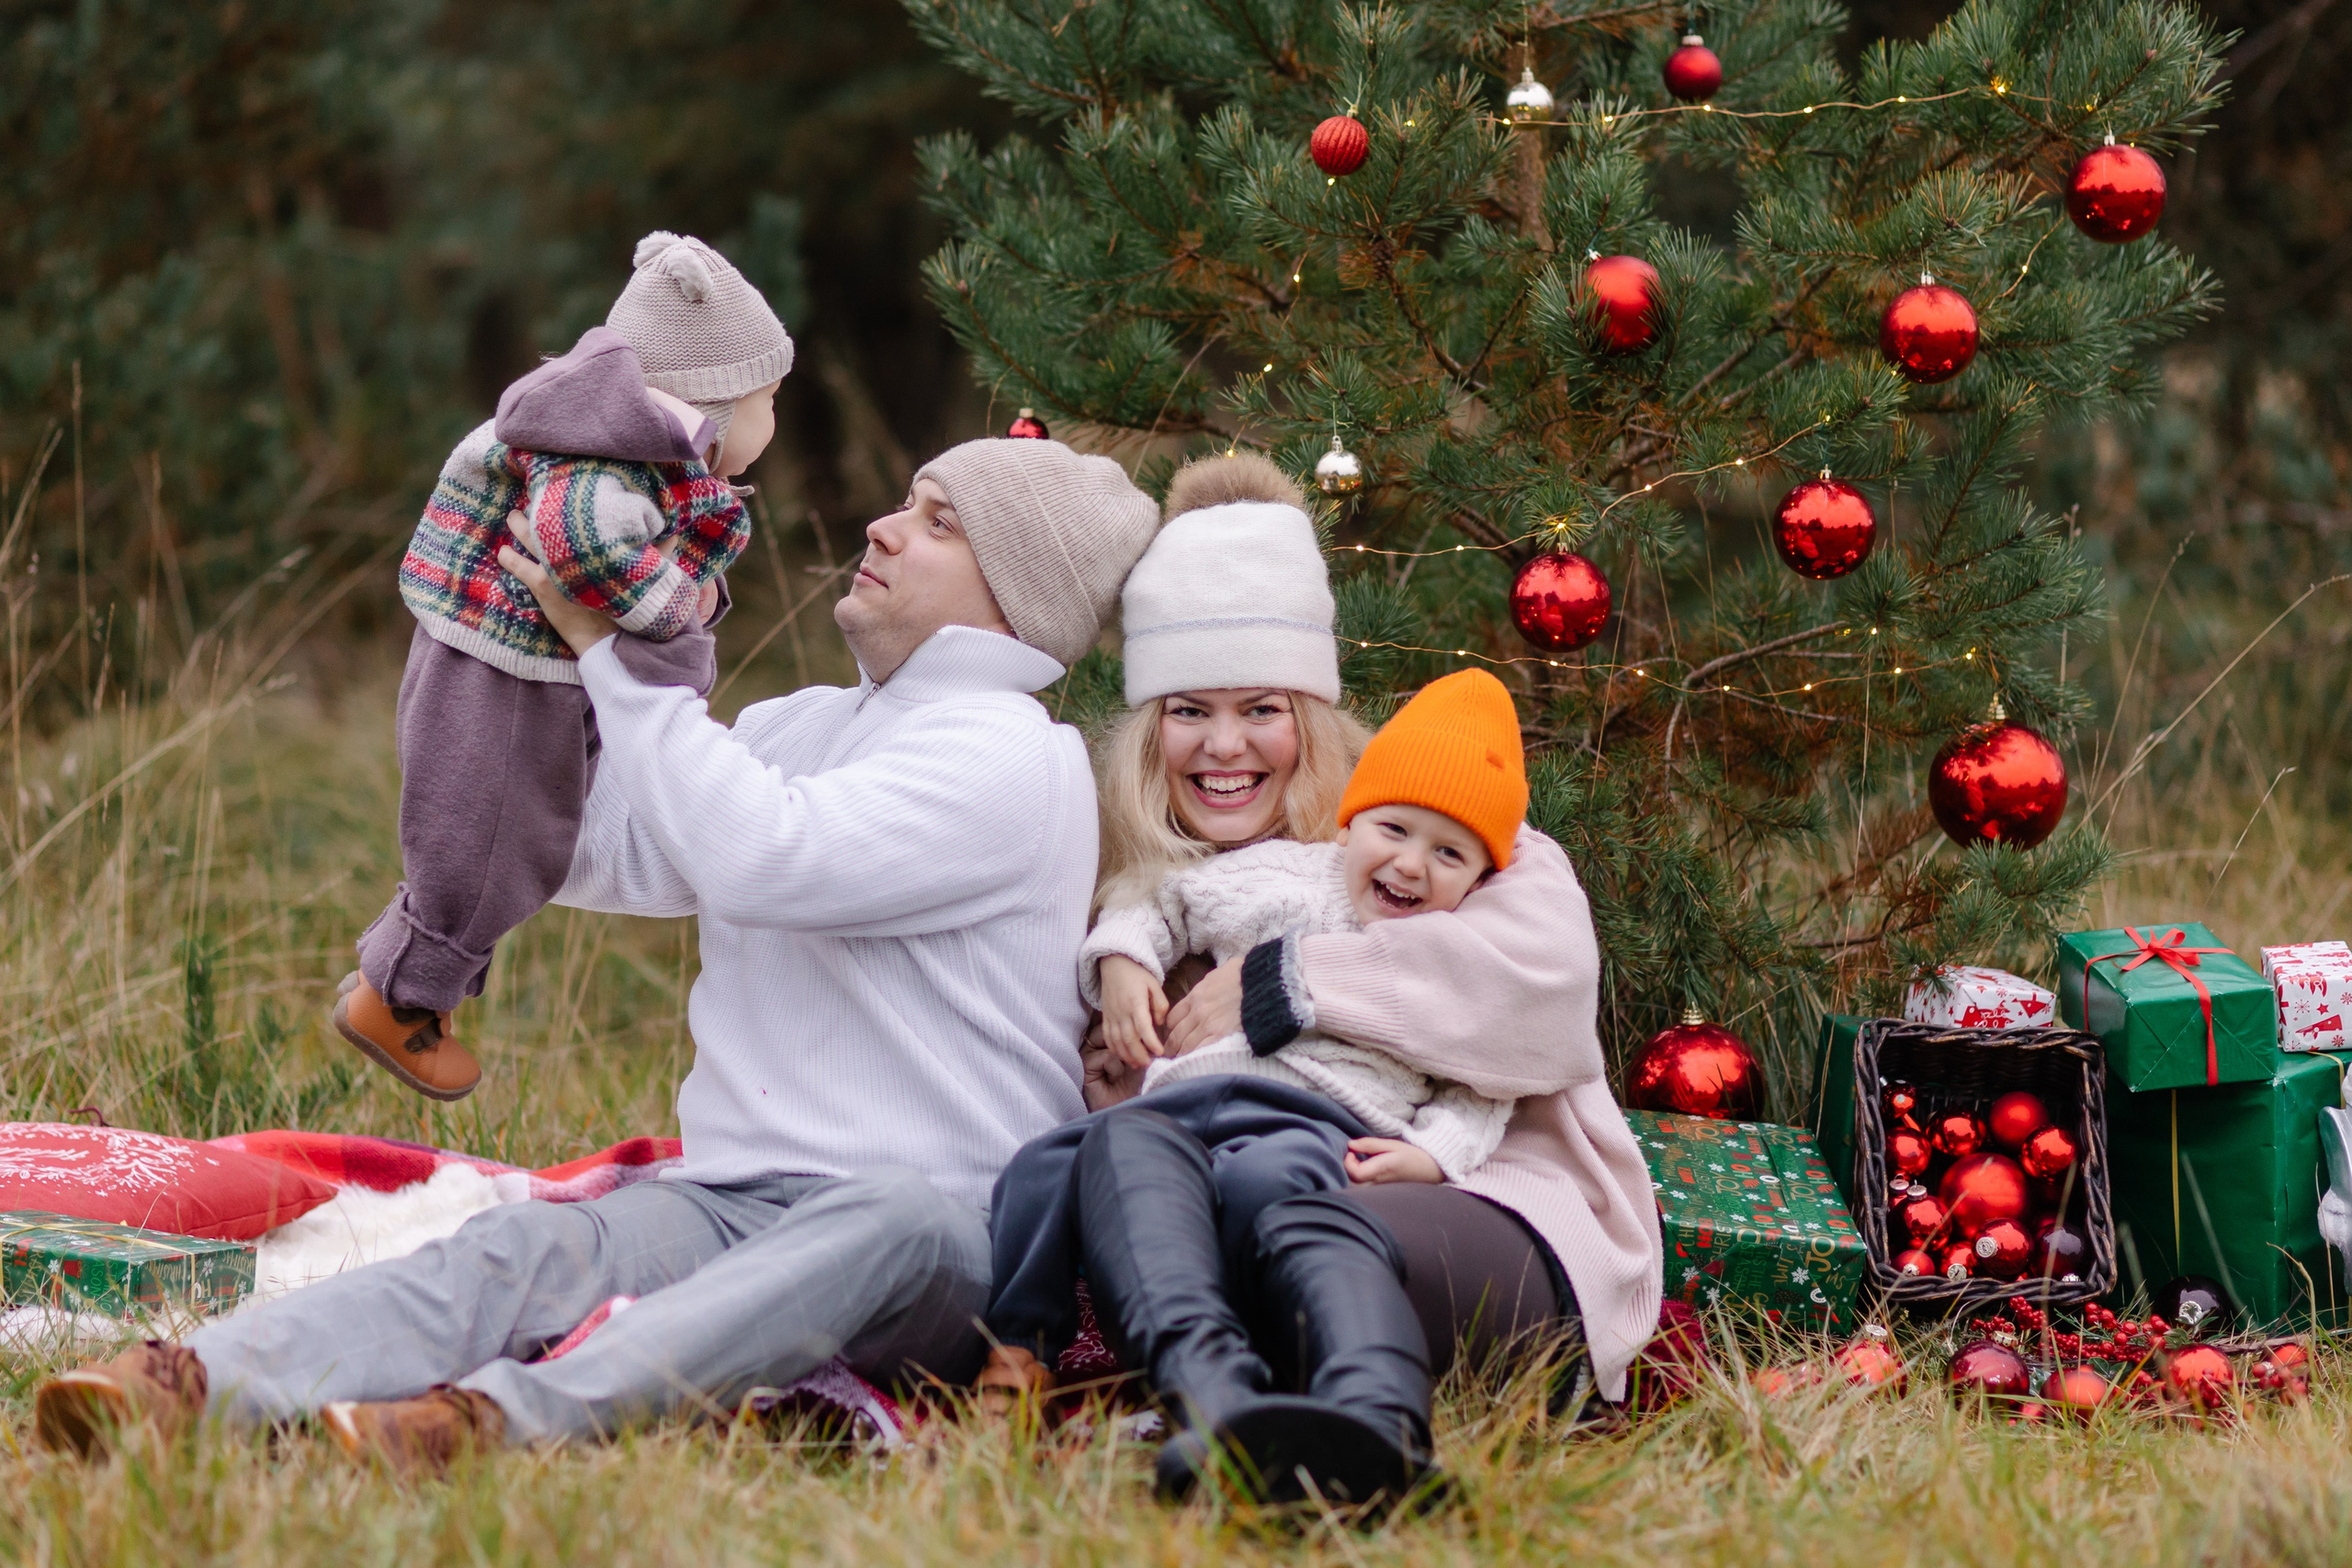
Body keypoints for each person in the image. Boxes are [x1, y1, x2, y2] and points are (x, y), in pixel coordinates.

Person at [35, 435, 1161, 1471]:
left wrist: (620, 655)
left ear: (1015, 598)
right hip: (735, 1200)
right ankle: (194, 1384)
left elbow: (760, 856)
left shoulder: (1016, 757)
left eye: (938, 521)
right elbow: (604, 849)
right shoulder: (803, 727)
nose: (882, 526)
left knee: (889, 1218)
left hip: (960, 1239)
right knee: (522, 1250)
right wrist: (508, 655)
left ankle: (487, 1424)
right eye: (905, 502)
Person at [1050, 454, 1662, 1502]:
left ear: (1315, 717)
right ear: (1148, 730)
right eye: (1187, 711)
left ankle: (1381, 1439)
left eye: (1263, 709)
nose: (1224, 747)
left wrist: (1283, 980)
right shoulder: (1138, 884)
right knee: (1221, 1202)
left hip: (1491, 1207)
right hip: (1254, 1199)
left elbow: (1542, 992)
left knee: (1296, 1214)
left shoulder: (1438, 825)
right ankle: (1236, 1424)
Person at [982, 667, 1531, 1502]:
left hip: (1309, 1119)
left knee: (1263, 1182)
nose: (1411, 865)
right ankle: (1025, 1352)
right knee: (1052, 1163)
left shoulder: (1452, 951)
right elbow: (1161, 902)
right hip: (1184, 1102)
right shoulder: (1285, 873)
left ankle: (1310, 1393)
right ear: (1352, 822)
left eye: (1448, 851)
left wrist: (1430, 1155)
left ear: (1479, 876)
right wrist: (1126, 964)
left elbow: (1486, 1083)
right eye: (1393, 829)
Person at [336, 231, 793, 1102]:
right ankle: (396, 1003)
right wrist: (663, 611)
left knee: (497, 829)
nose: (774, 425)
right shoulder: (607, 451)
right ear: (716, 404)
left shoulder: (612, 433)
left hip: (500, 654)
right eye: (770, 401)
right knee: (497, 842)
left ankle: (398, 979)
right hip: (502, 670)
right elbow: (576, 532)